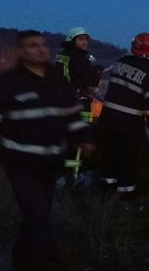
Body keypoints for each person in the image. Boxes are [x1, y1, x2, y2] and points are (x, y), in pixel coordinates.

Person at [0, 30, 95, 269]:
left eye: (43, 44)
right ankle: (53, 264)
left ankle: (21, 263)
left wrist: (83, 137)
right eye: (32, 45)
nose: (40, 49)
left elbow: (71, 112)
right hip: (20, 164)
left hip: (50, 162)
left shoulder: (56, 79)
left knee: (34, 217)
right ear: (21, 51)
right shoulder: (8, 83)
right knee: (39, 217)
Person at [96, 32, 149, 200]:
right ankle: (126, 194)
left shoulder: (120, 62)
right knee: (127, 157)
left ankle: (106, 189)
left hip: (107, 117)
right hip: (128, 123)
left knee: (108, 153)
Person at [55, 27, 102, 186]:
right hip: (79, 104)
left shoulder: (62, 56)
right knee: (82, 138)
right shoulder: (79, 57)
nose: (84, 42)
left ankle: (60, 175)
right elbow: (93, 81)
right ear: (73, 40)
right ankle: (75, 176)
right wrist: (98, 71)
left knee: (65, 139)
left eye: (85, 39)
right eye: (80, 39)